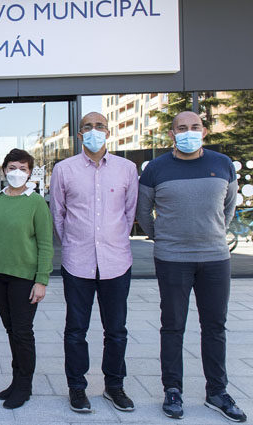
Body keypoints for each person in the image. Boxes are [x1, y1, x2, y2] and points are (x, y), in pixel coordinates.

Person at [136, 111, 247, 422]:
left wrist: (209, 234)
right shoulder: (156, 169)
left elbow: (228, 207)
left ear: (205, 131)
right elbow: (144, 214)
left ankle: (217, 392)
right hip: (172, 260)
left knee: (215, 327)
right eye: (181, 128)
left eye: (194, 127)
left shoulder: (221, 164)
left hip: (215, 258)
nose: (188, 132)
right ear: (171, 134)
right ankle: (172, 390)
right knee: (173, 327)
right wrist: (166, 239)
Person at [49, 112, 139, 413]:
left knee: (116, 330)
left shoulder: (127, 169)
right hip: (78, 262)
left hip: (116, 261)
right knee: (76, 330)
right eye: (88, 127)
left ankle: (114, 386)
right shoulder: (64, 169)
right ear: (79, 135)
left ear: (108, 132)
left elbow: (129, 214)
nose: (94, 131)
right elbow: (58, 215)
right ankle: (77, 388)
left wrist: (113, 241)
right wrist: (75, 242)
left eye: (100, 126)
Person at [0, 148, 52, 409]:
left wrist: (41, 280)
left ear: (30, 172)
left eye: (23, 168)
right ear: (3, 170)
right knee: (11, 331)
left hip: (24, 278)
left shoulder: (36, 203)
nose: (17, 172)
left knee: (22, 332)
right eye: (12, 167)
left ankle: (24, 386)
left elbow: (45, 244)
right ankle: (15, 380)